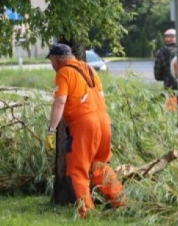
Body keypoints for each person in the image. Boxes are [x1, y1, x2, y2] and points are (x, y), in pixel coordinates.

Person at [46, 43, 125, 217]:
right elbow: (102, 97)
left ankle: (87, 212)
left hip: (84, 125)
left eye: (51, 61)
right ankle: (122, 202)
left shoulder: (64, 72)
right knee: (99, 165)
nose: (52, 65)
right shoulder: (90, 70)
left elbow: (60, 102)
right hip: (104, 122)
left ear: (59, 59)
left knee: (78, 169)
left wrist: (51, 130)